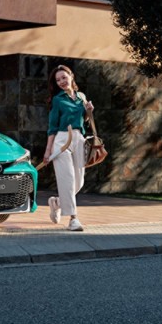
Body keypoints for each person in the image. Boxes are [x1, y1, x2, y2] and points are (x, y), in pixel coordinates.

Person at [44, 64, 94, 231]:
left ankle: (56, 202)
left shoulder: (81, 96)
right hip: (61, 140)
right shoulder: (57, 100)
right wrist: (48, 150)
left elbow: (84, 120)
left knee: (79, 181)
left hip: (79, 139)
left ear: (71, 76)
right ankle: (73, 219)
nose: (61, 82)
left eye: (64, 77)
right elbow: (52, 127)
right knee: (67, 179)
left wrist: (89, 111)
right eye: (58, 80)